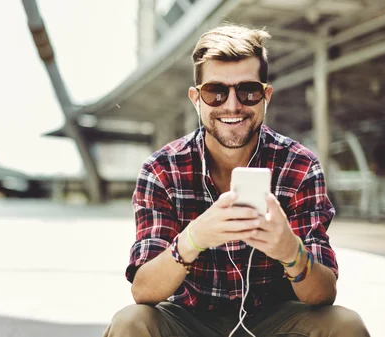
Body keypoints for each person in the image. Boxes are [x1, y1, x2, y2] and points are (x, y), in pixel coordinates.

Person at [104, 25, 369, 337]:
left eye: (248, 91)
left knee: (346, 325)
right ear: (196, 99)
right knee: (130, 322)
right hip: (190, 318)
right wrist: (194, 238)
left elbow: (324, 295)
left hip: (276, 319)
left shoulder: (299, 165)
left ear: (265, 96)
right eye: (215, 92)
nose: (232, 105)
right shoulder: (162, 169)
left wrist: (290, 250)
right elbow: (144, 291)